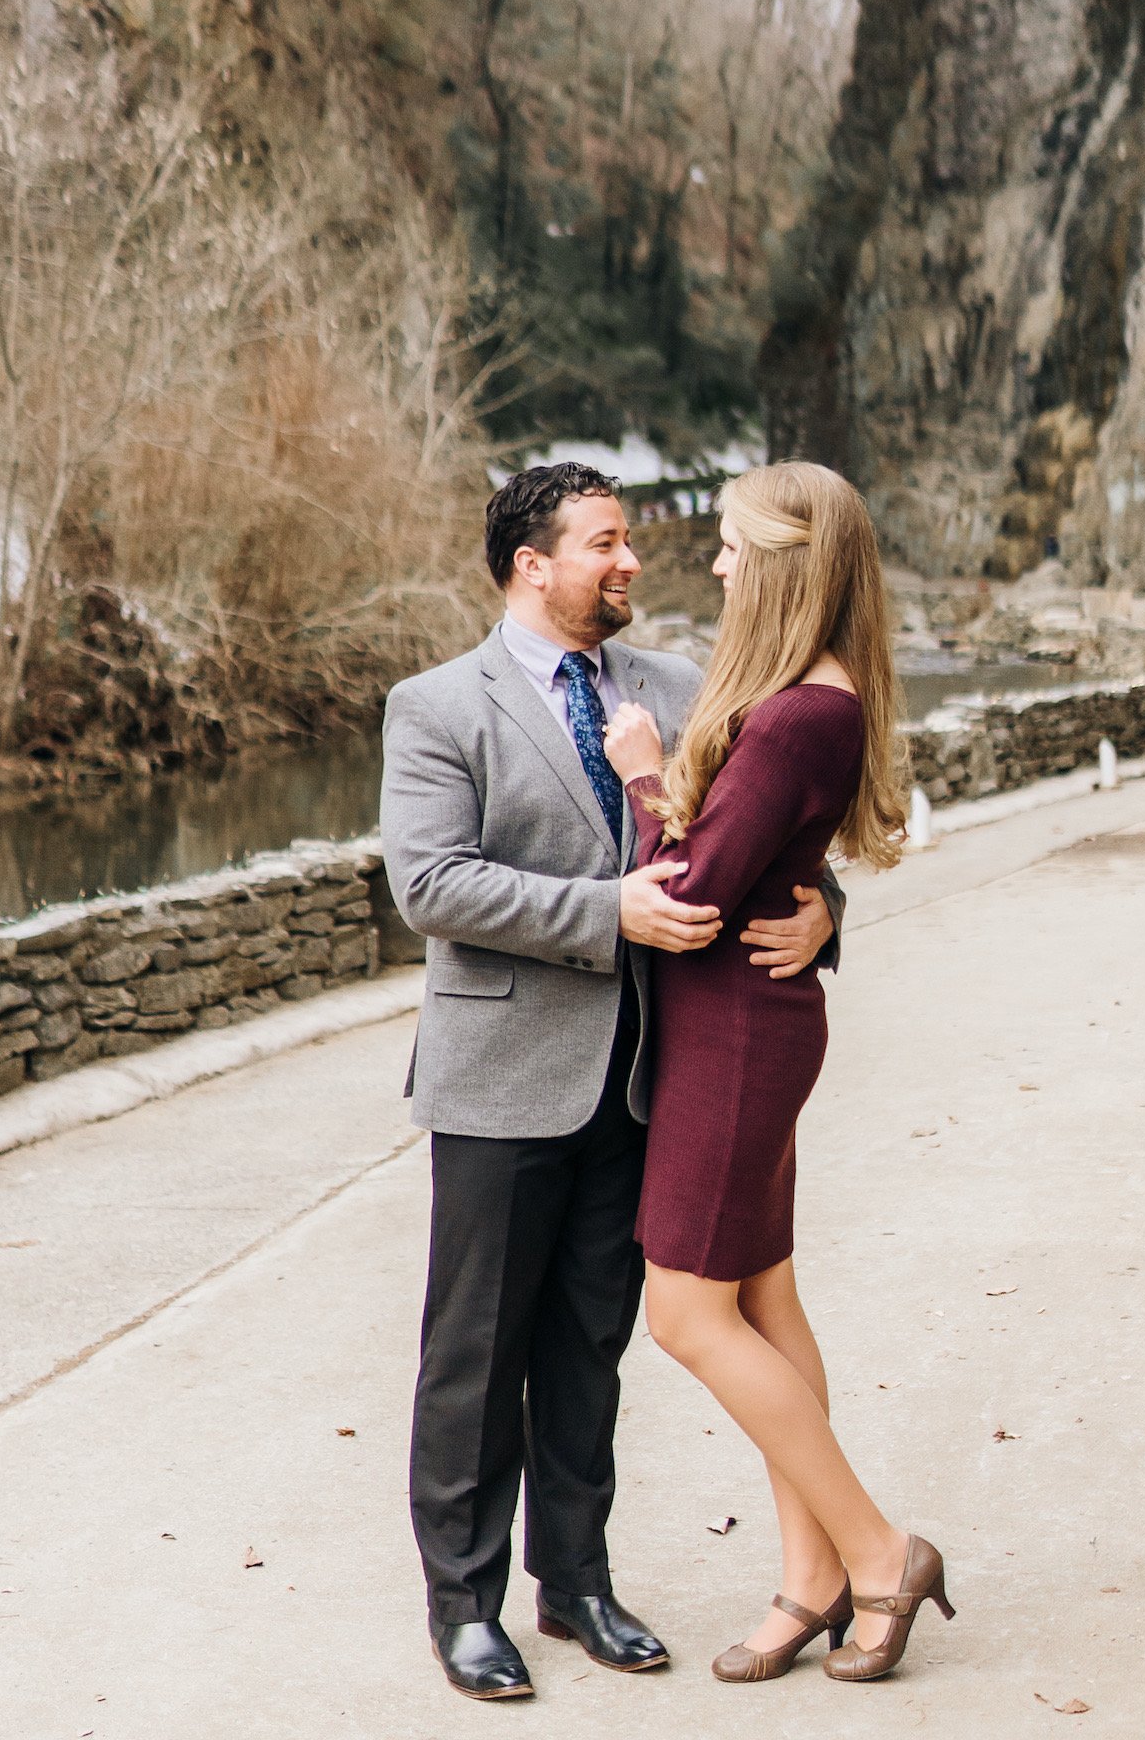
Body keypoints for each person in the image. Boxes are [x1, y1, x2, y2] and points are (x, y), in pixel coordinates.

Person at [379, 461, 844, 1703]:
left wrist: (822, 913)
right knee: (475, 1353)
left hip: (647, 1080)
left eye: (626, 537)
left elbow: (764, 832)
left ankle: (575, 1584)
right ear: (534, 565)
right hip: (499, 1077)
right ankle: (465, 1607)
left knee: (592, 1340)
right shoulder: (436, 708)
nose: (631, 560)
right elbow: (429, 885)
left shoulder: (682, 691)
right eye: (605, 542)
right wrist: (608, 910)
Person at [601, 460, 954, 1687]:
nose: (716, 562)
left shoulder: (804, 710)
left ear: (789, 563)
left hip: (735, 1035)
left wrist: (645, 775)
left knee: (686, 1315)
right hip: (751, 1020)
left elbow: (690, 897)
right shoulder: (808, 698)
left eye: (737, 546)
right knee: (764, 1303)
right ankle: (810, 1581)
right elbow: (757, 868)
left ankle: (875, 1549)